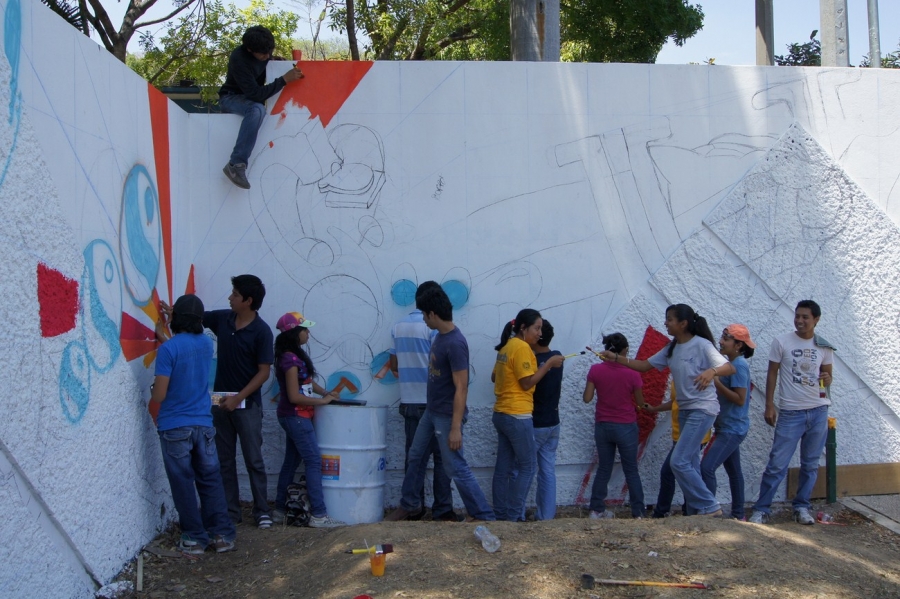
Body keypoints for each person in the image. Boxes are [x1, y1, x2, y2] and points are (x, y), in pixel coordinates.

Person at [599, 304, 734, 517]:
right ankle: (699, 509)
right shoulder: (673, 348)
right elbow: (644, 366)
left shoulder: (702, 345)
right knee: (687, 462)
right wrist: (616, 358)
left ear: (683, 323)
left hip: (702, 410)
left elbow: (728, 367)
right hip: (685, 411)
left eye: (670, 319)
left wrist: (711, 371)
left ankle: (710, 506)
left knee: (678, 461)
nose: (666, 323)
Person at [162, 275, 275, 528]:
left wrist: (238, 398)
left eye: (235, 294)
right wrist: (174, 312)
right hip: (219, 403)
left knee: (253, 459)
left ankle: (262, 511)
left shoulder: (262, 331)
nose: (230, 298)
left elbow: (264, 372)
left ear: (248, 300)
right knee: (223, 460)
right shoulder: (223, 318)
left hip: (247, 405)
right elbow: (195, 318)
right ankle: (230, 511)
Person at [386, 287, 495, 522]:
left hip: (447, 416)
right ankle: (409, 504)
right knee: (415, 456)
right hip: (431, 412)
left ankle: (484, 515)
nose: (423, 320)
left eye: (424, 315)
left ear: (433, 314)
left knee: (455, 466)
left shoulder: (455, 343)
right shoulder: (440, 338)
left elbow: (462, 387)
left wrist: (455, 427)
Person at [151, 294, 236, 554]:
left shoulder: (168, 349)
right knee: (210, 480)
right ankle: (221, 536)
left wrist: (153, 388)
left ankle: (194, 539)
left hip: (175, 426)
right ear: (200, 320)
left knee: (183, 482)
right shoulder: (205, 344)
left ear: (175, 318)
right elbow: (184, 352)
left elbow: (160, 395)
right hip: (203, 425)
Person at [749, 301, 835, 525]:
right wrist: (769, 405)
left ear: (816, 319)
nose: (799, 320)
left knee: (810, 464)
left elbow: (827, 377)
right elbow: (772, 374)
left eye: (805, 317)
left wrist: (826, 381)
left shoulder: (824, 346)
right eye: (797, 316)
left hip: (818, 411)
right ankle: (762, 509)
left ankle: (802, 506)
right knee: (777, 463)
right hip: (790, 412)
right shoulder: (782, 341)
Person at [389, 281, 459, 522]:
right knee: (441, 458)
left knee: (414, 457)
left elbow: (394, 365)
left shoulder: (397, 327)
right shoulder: (432, 328)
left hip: (409, 400)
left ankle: (413, 506)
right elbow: (439, 363)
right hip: (434, 401)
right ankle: (442, 509)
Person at [270, 312, 346, 528]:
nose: (308, 333)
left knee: (291, 462)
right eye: (305, 329)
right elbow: (295, 396)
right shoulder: (289, 359)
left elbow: (307, 383)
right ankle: (319, 515)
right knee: (313, 461)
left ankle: (279, 511)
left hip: (294, 417)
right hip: (296, 417)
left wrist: (326, 393)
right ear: (294, 333)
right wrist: (323, 402)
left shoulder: (293, 356)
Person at [491, 309, 565, 521]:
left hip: (502, 412)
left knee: (503, 468)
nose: (539, 333)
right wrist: (548, 364)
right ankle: (514, 516)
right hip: (518, 414)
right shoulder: (522, 348)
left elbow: (494, 376)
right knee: (528, 466)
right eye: (536, 328)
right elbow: (526, 383)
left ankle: (501, 514)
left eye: (541, 328)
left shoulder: (506, 347)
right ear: (523, 328)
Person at [219, 25, 304, 189]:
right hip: (231, 97)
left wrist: (275, 63)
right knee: (257, 109)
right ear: (250, 49)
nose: (267, 56)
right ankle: (236, 165)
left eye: (269, 52)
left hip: (248, 98)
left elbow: (264, 67)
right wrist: (283, 80)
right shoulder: (239, 59)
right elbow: (256, 94)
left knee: (258, 108)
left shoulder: (265, 55)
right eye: (263, 54)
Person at [583, 332, 647, 519]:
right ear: (624, 350)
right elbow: (640, 402)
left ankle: (596, 509)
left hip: (603, 425)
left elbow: (587, 399)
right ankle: (638, 512)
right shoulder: (633, 373)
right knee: (631, 470)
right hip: (626, 426)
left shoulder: (595, 370)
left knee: (604, 467)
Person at [701, 324, 755, 520]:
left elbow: (740, 399)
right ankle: (739, 515)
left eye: (726, 338)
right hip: (730, 426)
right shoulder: (731, 364)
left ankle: (710, 512)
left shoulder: (738, 366)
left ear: (739, 345)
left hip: (732, 428)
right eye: (722, 336)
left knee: (706, 468)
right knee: (734, 472)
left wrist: (716, 382)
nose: (721, 342)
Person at [646, 383, 712, 518]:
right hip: (680, 434)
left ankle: (667, 512)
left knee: (674, 471)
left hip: (693, 436)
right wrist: (655, 409)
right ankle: (687, 511)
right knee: (683, 471)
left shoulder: (694, 375)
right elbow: (675, 402)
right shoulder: (678, 376)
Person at [530, 319, 564, 521]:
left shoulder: (536, 361)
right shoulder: (557, 357)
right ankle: (546, 515)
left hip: (536, 423)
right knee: (547, 470)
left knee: (521, 468)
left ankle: (514, 512)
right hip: (553, 422)